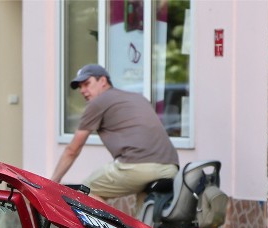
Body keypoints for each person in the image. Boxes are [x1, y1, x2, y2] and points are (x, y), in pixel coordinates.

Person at [51, 64, 179, 208]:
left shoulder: (97, 103)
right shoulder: (137, 97)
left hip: (137, 167)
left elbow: (72, 150)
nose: (83, 90)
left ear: (103, 81)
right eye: (80, 87)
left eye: (87, 84)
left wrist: (52, 183)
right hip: (171, 168)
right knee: (142, 222)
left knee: (84, 192)